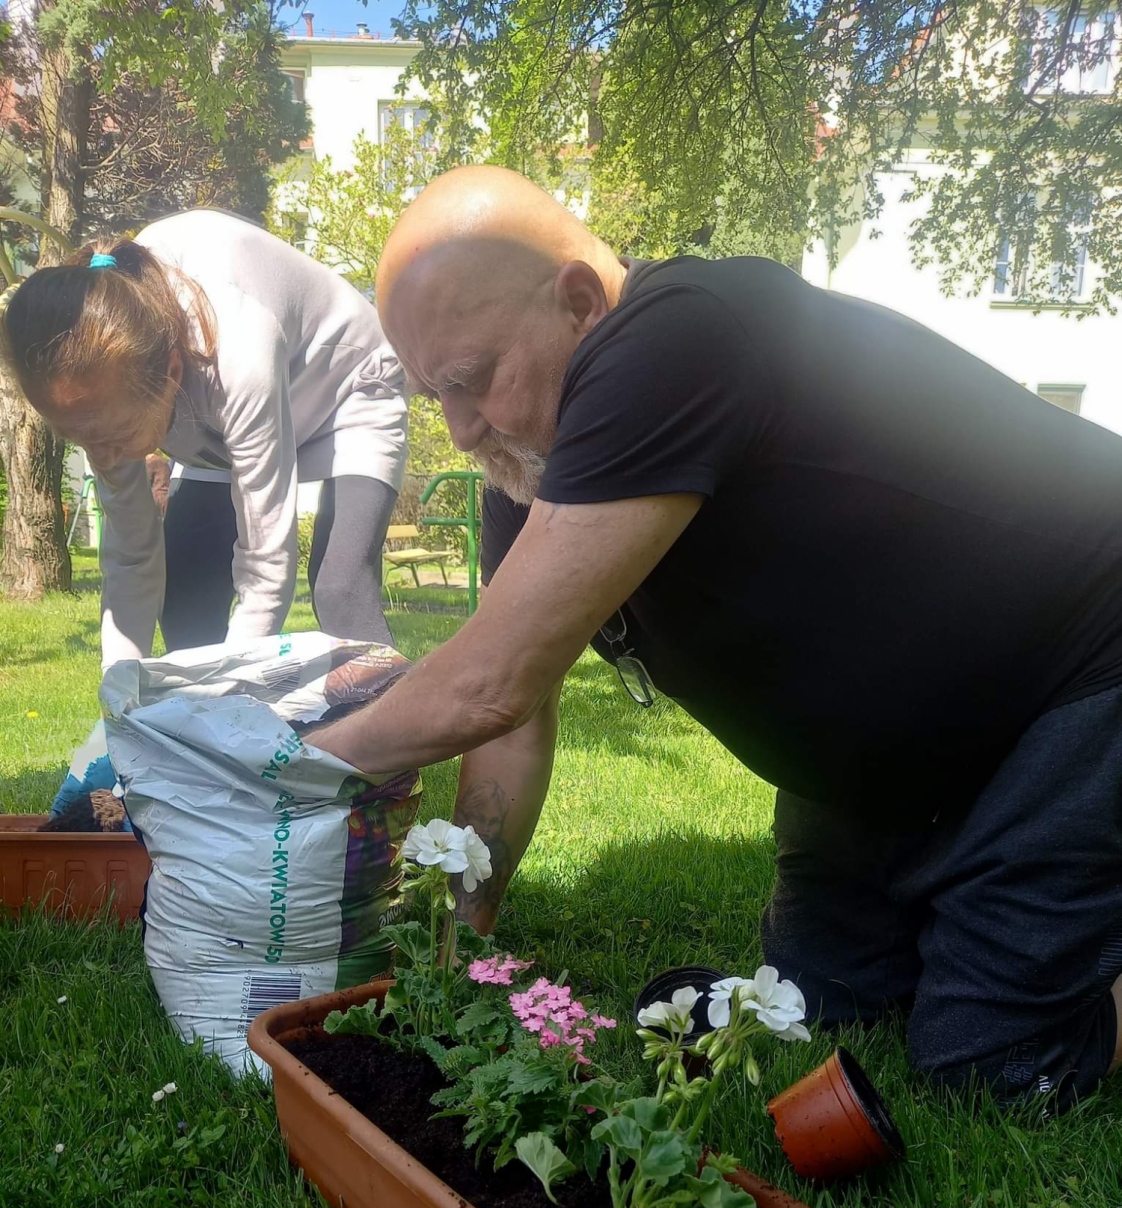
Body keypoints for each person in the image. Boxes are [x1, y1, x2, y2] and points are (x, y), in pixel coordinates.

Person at [309, 165, 1122, 1111]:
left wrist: (284, 763)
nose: (455, 431)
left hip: (1080, 662)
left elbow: (483, 683)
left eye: (472, 380)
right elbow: (513, 714)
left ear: (580, 303)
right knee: (819, 1007)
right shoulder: (526, 473)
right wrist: (464, 928)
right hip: (894, 761)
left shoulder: (679, 333)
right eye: (428, 395)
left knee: (992, 1065)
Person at [0, 210, 407, 667]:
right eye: (79, 439)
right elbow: (132, 560)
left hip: (347, 388)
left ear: (171, 374)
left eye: (112, 437)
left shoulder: (237, 351)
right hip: (214, 419)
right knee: (187, 596)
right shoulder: (105, 392)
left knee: (340, 589)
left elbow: (265, 567)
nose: (103, 457)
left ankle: (398, 731)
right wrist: (120, 691)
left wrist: (224, 690)